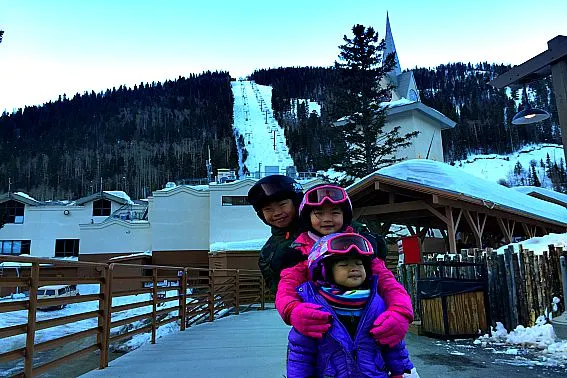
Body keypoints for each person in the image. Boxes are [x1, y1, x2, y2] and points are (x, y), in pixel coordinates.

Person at [248, 178, 412, 347]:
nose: (327, 220)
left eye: (282, 205)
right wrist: (293, 309)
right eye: (268, 209)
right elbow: (284, 288)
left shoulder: (353, 237)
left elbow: (387, 282)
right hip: (318, 323)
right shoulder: (284, 249)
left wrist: (400, 312)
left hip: (365, 323)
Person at [286, 232, 413, 378]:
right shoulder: (313, 308)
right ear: (325, 270)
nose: (354, 268)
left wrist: (399, 371)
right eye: (344, 264)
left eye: (359, 263)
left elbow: (393, 343)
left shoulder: (377, 303)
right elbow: (301, 352)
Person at [247, 175, 307, 292]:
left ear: (297, 202)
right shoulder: (268, 252)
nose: (277, 213)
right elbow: (278, 292)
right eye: (268, 209)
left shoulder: (320, 230)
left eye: (282, 204)